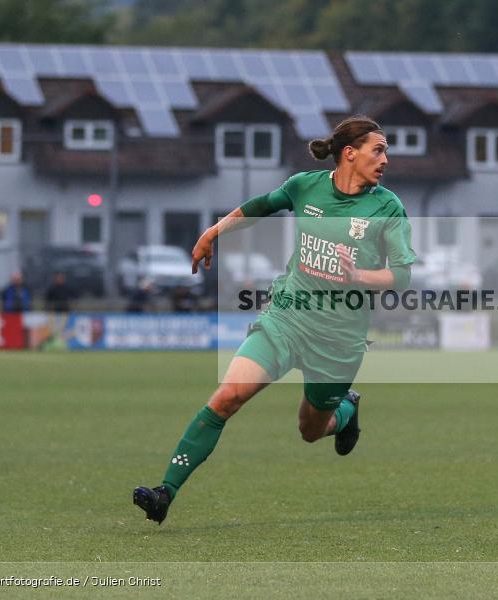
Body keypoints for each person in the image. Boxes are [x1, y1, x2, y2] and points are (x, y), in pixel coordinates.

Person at [134, 115, 415, 524]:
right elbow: (260, 207)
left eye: (386, 150)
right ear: (350, 154)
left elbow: (403, 273)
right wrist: (214, 231)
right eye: (379, 149)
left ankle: (347, 413)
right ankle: (165, 492)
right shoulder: (306, 186)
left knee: (310, 430)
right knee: (228, 397)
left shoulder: (387, 206)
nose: (386, 158)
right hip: (287, 319)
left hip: (339, 340)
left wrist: (359, 276)